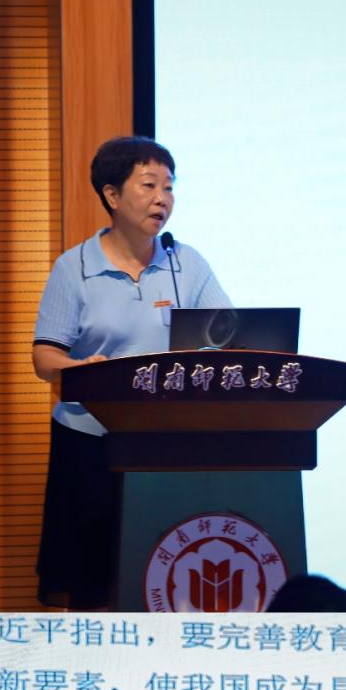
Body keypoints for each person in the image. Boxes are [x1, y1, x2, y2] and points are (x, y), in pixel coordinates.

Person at [33, 134, 231, 605]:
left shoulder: (186, 263)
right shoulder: (74, 268)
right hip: (91, 446)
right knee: (92, 587)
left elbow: (229, 335)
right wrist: (81, 369)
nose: (163, 198)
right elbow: (44, 358)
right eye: (149, 185)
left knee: (167, 574)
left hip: (168, 441)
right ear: (112, 195)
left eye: (170, 186)